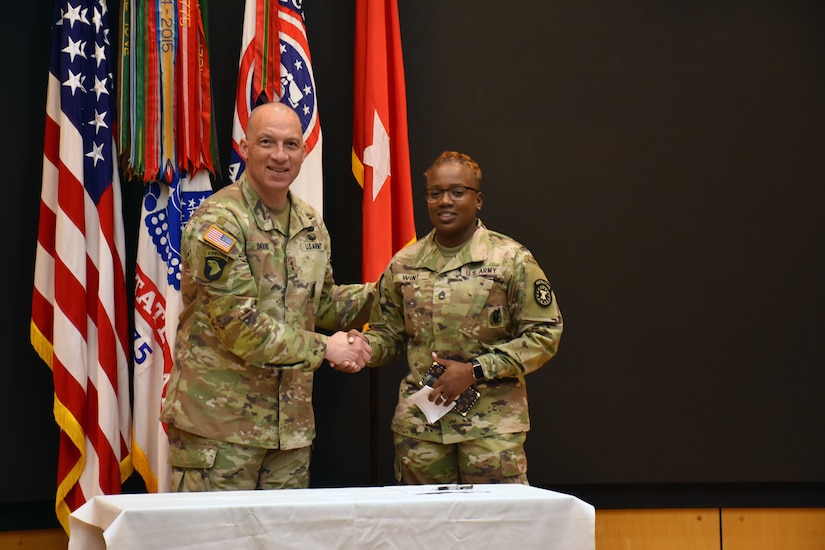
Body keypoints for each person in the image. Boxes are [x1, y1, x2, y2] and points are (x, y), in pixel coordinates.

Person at [160, 101, 373, 492]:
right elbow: (238, 326)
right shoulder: (219, 223)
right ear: (245, 148)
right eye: (267, 142)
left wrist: (390, 291)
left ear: (304, 152)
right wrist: (327, 349)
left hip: (288, 433)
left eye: (291, 144)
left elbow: (321, 303)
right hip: (219, 431)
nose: (280, 155)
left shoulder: (310, 223)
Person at [363, 150, 563, 485]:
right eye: (435, 193)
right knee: (423, 532)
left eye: (457, 192)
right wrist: (360, 349)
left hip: (490, 431)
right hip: (421, 429)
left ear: (478, 199)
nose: (445, 201)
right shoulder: (405, 263)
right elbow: (390, 335)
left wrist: (475, 371)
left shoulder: (510, 260)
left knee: (495, 531)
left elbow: (545, 334)